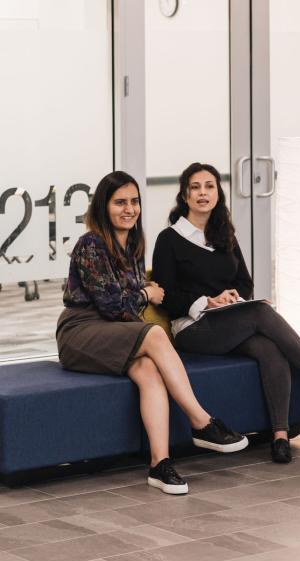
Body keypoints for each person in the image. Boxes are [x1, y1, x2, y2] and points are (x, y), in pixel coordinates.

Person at [151, 162, 300, 465]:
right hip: (193, 328)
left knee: (268, 347)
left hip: (229, 323)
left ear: (218, 194)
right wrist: (207, 301)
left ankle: (279, 436)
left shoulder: (224, 235)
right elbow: (166, 296)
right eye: (195, 187)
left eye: (209, 186)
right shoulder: (169, 239)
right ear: (184, 195)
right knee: (261, 313)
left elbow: (245, 284)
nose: (202, 193)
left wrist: (234, 297)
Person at [57, 171, 248, 495]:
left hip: (115, 330)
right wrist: (147, 294)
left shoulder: (132, 243)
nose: (129, 209)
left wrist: (140, 297)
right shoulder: (91, 244)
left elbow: (125, 311)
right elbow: (112, 306)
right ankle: (201, 422)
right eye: (120, 202)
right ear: (104, 207)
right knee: (156, 336)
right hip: (80, 330)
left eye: (134, 202)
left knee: (149, 372)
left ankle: (160, 465)